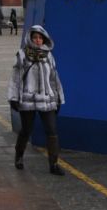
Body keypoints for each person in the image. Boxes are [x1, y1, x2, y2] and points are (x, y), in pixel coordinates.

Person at [8, 25, 66, 176]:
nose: (38, 40)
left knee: (52, 131)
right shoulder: (22, 55)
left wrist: (59, 97)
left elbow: (54, 78)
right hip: (27, 99)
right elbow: (15, 79)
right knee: (26, 130)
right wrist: (13, 97)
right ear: (30, 38)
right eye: (35, 37)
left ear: (44, 39)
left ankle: (53, 164)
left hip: (47, 99)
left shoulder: (49, 55)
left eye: (40, 38)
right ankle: (19, 157)